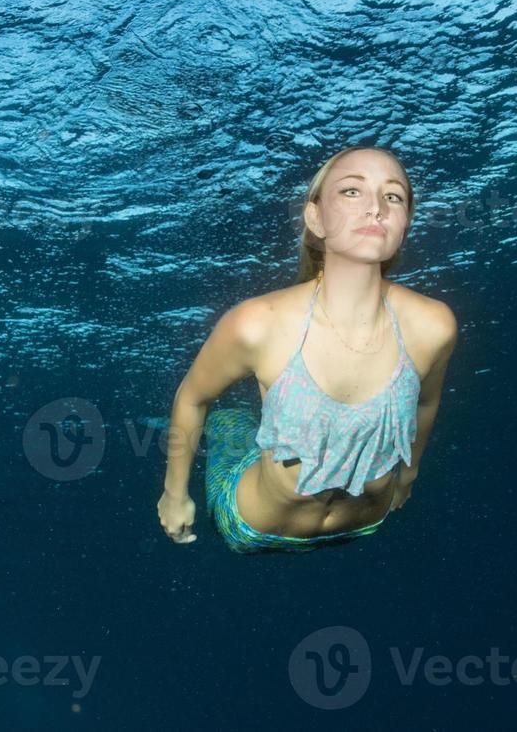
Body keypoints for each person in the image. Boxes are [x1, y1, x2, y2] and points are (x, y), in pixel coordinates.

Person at [156, 146, 457, 554]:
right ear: (315, 217)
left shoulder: (433, 326)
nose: (376, 208)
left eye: (393, 196)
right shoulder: (257, 323)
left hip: (366, 524)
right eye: (352, 191)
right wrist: (175, 494)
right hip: (252, 530)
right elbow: (193, 397)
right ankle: (239, 422)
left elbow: (425, 405)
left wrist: (409, 476)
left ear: (405, 222)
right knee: (228, 421)